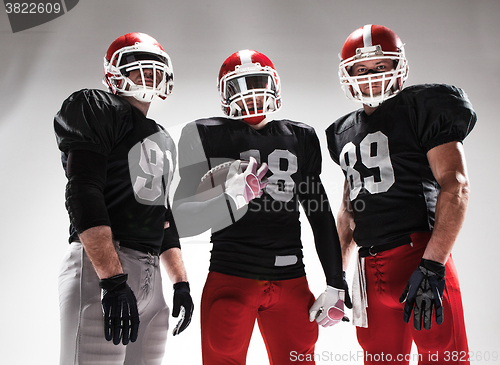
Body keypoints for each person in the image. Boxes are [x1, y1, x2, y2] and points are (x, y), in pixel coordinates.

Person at [172, 49, 350, 364]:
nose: (250, 92)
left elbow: (319, 215)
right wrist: (231, 200)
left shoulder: (301, 135)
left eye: (256, 81)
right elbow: (180, 220)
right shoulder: (203, 134)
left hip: (290, 278)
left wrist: (336, 281)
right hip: (232, 275)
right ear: (225, 93)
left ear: (274, 85)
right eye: (239, 85)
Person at [326, 24, 476, 364]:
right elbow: (349, 212)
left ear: (398, 67)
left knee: (444, 359)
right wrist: (336, 278)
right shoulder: (344, 132)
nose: (371, 76)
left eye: (380, 66)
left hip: (420, 260)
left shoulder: (422, 107)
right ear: (347, 75)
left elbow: (457, 185)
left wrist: (433, 266)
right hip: (370, 273)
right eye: (361, 69)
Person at [54, 32, 193, 365]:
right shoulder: (96, 106)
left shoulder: (162, 137)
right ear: (115, 73)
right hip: (104, 266)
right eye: (137, 67)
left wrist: (181, 282)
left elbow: (164, 216)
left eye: (155, 68)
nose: (148, 74)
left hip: (151, 276)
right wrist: (113, 280)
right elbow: (82, 190)